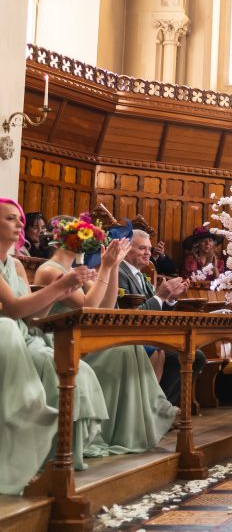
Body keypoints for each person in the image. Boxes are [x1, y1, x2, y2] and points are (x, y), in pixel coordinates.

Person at [34, 215, 177, 456]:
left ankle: (137, 422)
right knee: (123, 350)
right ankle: (117, 429)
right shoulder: (51, 271)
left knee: (129, 346)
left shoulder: (72, 270)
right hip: (59, 340)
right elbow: (88, 307)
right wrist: (108, 267)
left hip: (80, 338)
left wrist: (110, 267)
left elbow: (107, 307)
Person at [0, 199, 104, 490]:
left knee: (73, 365)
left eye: (20, 219)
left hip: (27, 332)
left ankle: (64, 453)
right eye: (11, 218)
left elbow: (35, 317)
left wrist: (58, 295)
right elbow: (13, 310)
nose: (20, 223)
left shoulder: (19, 265)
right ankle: (38, 446)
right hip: (7, 334)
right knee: (52, 360)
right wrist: (58, 287)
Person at [118, 229, 201, 405]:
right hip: (130, 337)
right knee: (179, 355)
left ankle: (163, 409)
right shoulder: (119, 273)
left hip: (150, 336)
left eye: (149, 248)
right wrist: (161, 296)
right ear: (126, 249)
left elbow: (157, 311)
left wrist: (170, 299)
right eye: (142, 248)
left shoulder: (141, 274)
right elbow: (131, 315)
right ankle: (153, 409)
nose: (148, 252)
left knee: (196, 355)